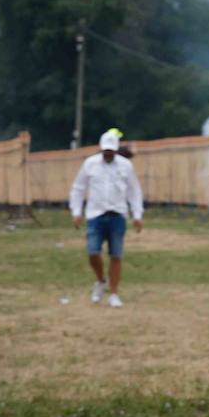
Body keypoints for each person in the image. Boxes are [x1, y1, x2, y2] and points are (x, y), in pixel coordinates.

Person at [70, 131, 144, 307]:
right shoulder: (90, 164)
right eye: (106, 151)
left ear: (116, 150)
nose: (108, 154)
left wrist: (137, 215)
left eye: (111, 151)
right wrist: (76, 211)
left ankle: (114, 293)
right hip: (96, 214)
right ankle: (101, 280)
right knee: (93, 252)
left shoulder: (125, 166)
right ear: (101, 149)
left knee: (116, 255)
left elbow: (134, 191)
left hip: (117, 214)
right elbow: (78, 188)